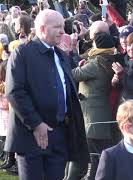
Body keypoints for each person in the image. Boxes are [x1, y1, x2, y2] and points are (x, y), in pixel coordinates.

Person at [5, 9, 89, 180]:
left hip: (59, 133)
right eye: (57, 27)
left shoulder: (61, 55)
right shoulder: (22, 53)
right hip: (31, 135)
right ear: (42, 29)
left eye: (63, 26)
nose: (62, 31)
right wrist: (36, 124)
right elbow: (15, 91)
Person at [72, 31, 117, 180]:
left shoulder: (97, 62)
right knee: (99, 154)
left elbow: (74, 74)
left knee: (95, 156)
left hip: (93, 118)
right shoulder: (109, 59)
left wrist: (72, 52)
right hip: (102, 114)